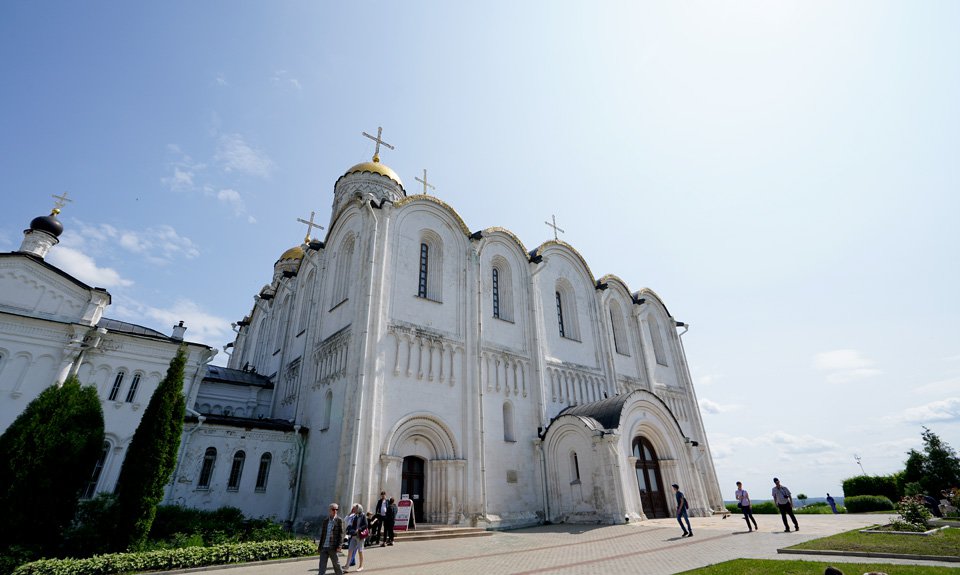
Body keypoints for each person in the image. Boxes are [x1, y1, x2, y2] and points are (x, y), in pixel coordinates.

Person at [317, 503, 344, 575]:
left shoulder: (339, 520)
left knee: (336, 564)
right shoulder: (325, 521)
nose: (335, 511)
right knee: (322, 565)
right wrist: (319, 547)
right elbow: (323, 535)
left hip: (333, 546)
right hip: (324, 546)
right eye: (333, 509)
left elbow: (341, 534)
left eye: (336, 509)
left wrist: (339, 546)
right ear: (329, 510)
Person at [344, 503, 367, 573]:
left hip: (360, 536)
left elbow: (366, 525)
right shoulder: (355, 516)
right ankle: (347, 567)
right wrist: (351, 530)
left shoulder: (363, 516)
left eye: (356, 508)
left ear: (359, 509)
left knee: (360, 551)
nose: (355, 509)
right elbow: (352, 524)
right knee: (350, 550)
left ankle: (361, 566)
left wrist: (359, 529)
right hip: (354, 536)